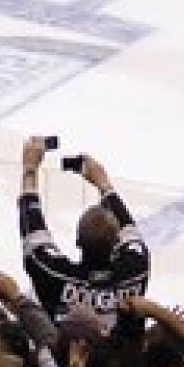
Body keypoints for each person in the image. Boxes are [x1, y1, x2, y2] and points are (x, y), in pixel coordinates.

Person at [18, 137, 150, 325]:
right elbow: (129, 230)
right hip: (126, 353)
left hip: (66, 355)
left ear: (77, 242)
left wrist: (30, 169)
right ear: (116, 243)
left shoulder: (55, 274)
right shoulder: (137, 269)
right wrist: (104, 184)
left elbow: (32, 231)